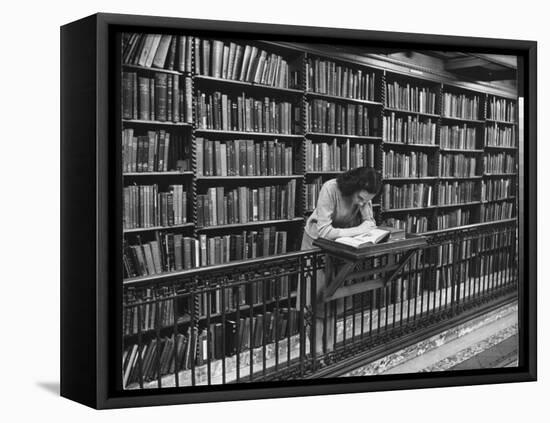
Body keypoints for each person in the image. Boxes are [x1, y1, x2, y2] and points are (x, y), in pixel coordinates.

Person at [300, 166, 381, 354]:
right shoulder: (330, 189)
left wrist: (363, 227)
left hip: (341, 247)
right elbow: (324, 232)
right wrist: (359, 230)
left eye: (367, 201)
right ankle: (317, 352)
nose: (362, 204)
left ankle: (329, 349)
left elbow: (371, 223)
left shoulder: (363, 197)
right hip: (316, 246)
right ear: (352, 187)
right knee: (317, 300)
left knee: (334, 300)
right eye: (360, 199)